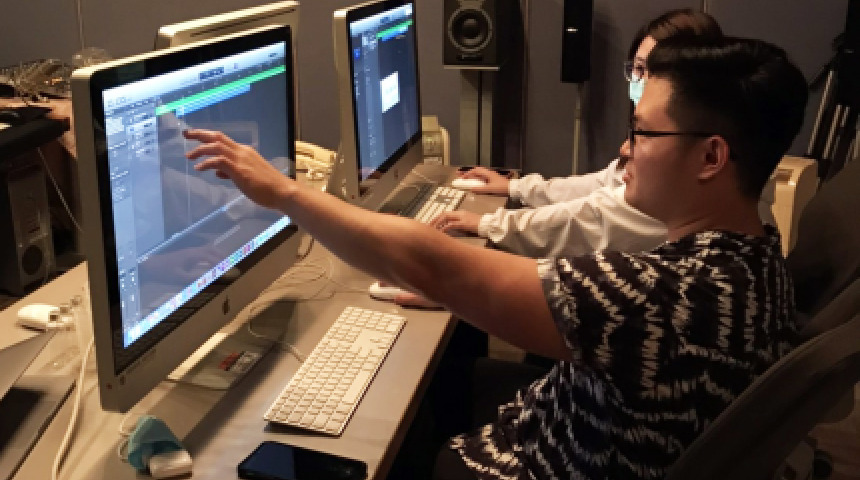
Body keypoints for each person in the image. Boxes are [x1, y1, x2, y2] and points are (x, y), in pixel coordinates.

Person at [183, 35, 807, 479]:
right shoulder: (755, 256)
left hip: (525, 461)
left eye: (642, 132)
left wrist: (286, 194)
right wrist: (466, 292)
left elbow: (434, 264)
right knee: (435, 366)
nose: (625, 149)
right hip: (566, 425)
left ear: (710, 158)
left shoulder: (668, 295)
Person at [429, 10, 732, 259]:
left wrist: (489, 226)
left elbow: (595, 217)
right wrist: (517, 188)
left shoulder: (683, 173)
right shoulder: (672, 140)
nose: (625, 150)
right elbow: (604, 184)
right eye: (639, 69)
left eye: (655, 73)